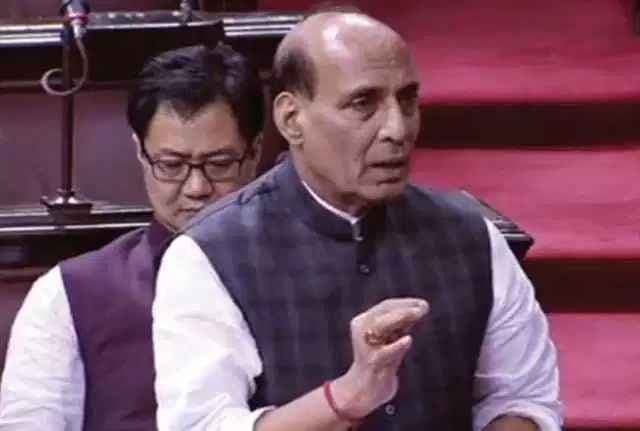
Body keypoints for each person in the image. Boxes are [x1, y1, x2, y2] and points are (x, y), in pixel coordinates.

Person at [153, 11, 562, 431]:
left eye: (407, 100)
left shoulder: (470, 235)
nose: (396, 129)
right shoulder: (208, 255)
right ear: (291, 119)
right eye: (363, 103)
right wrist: (345, 398)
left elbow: (523, 397)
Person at [0, 43, 264, 431]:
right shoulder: (67, 294)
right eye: (171, 165)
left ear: (255, 152)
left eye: (220, 164)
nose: (196, 187)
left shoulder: (303, 266)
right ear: (141, 153)